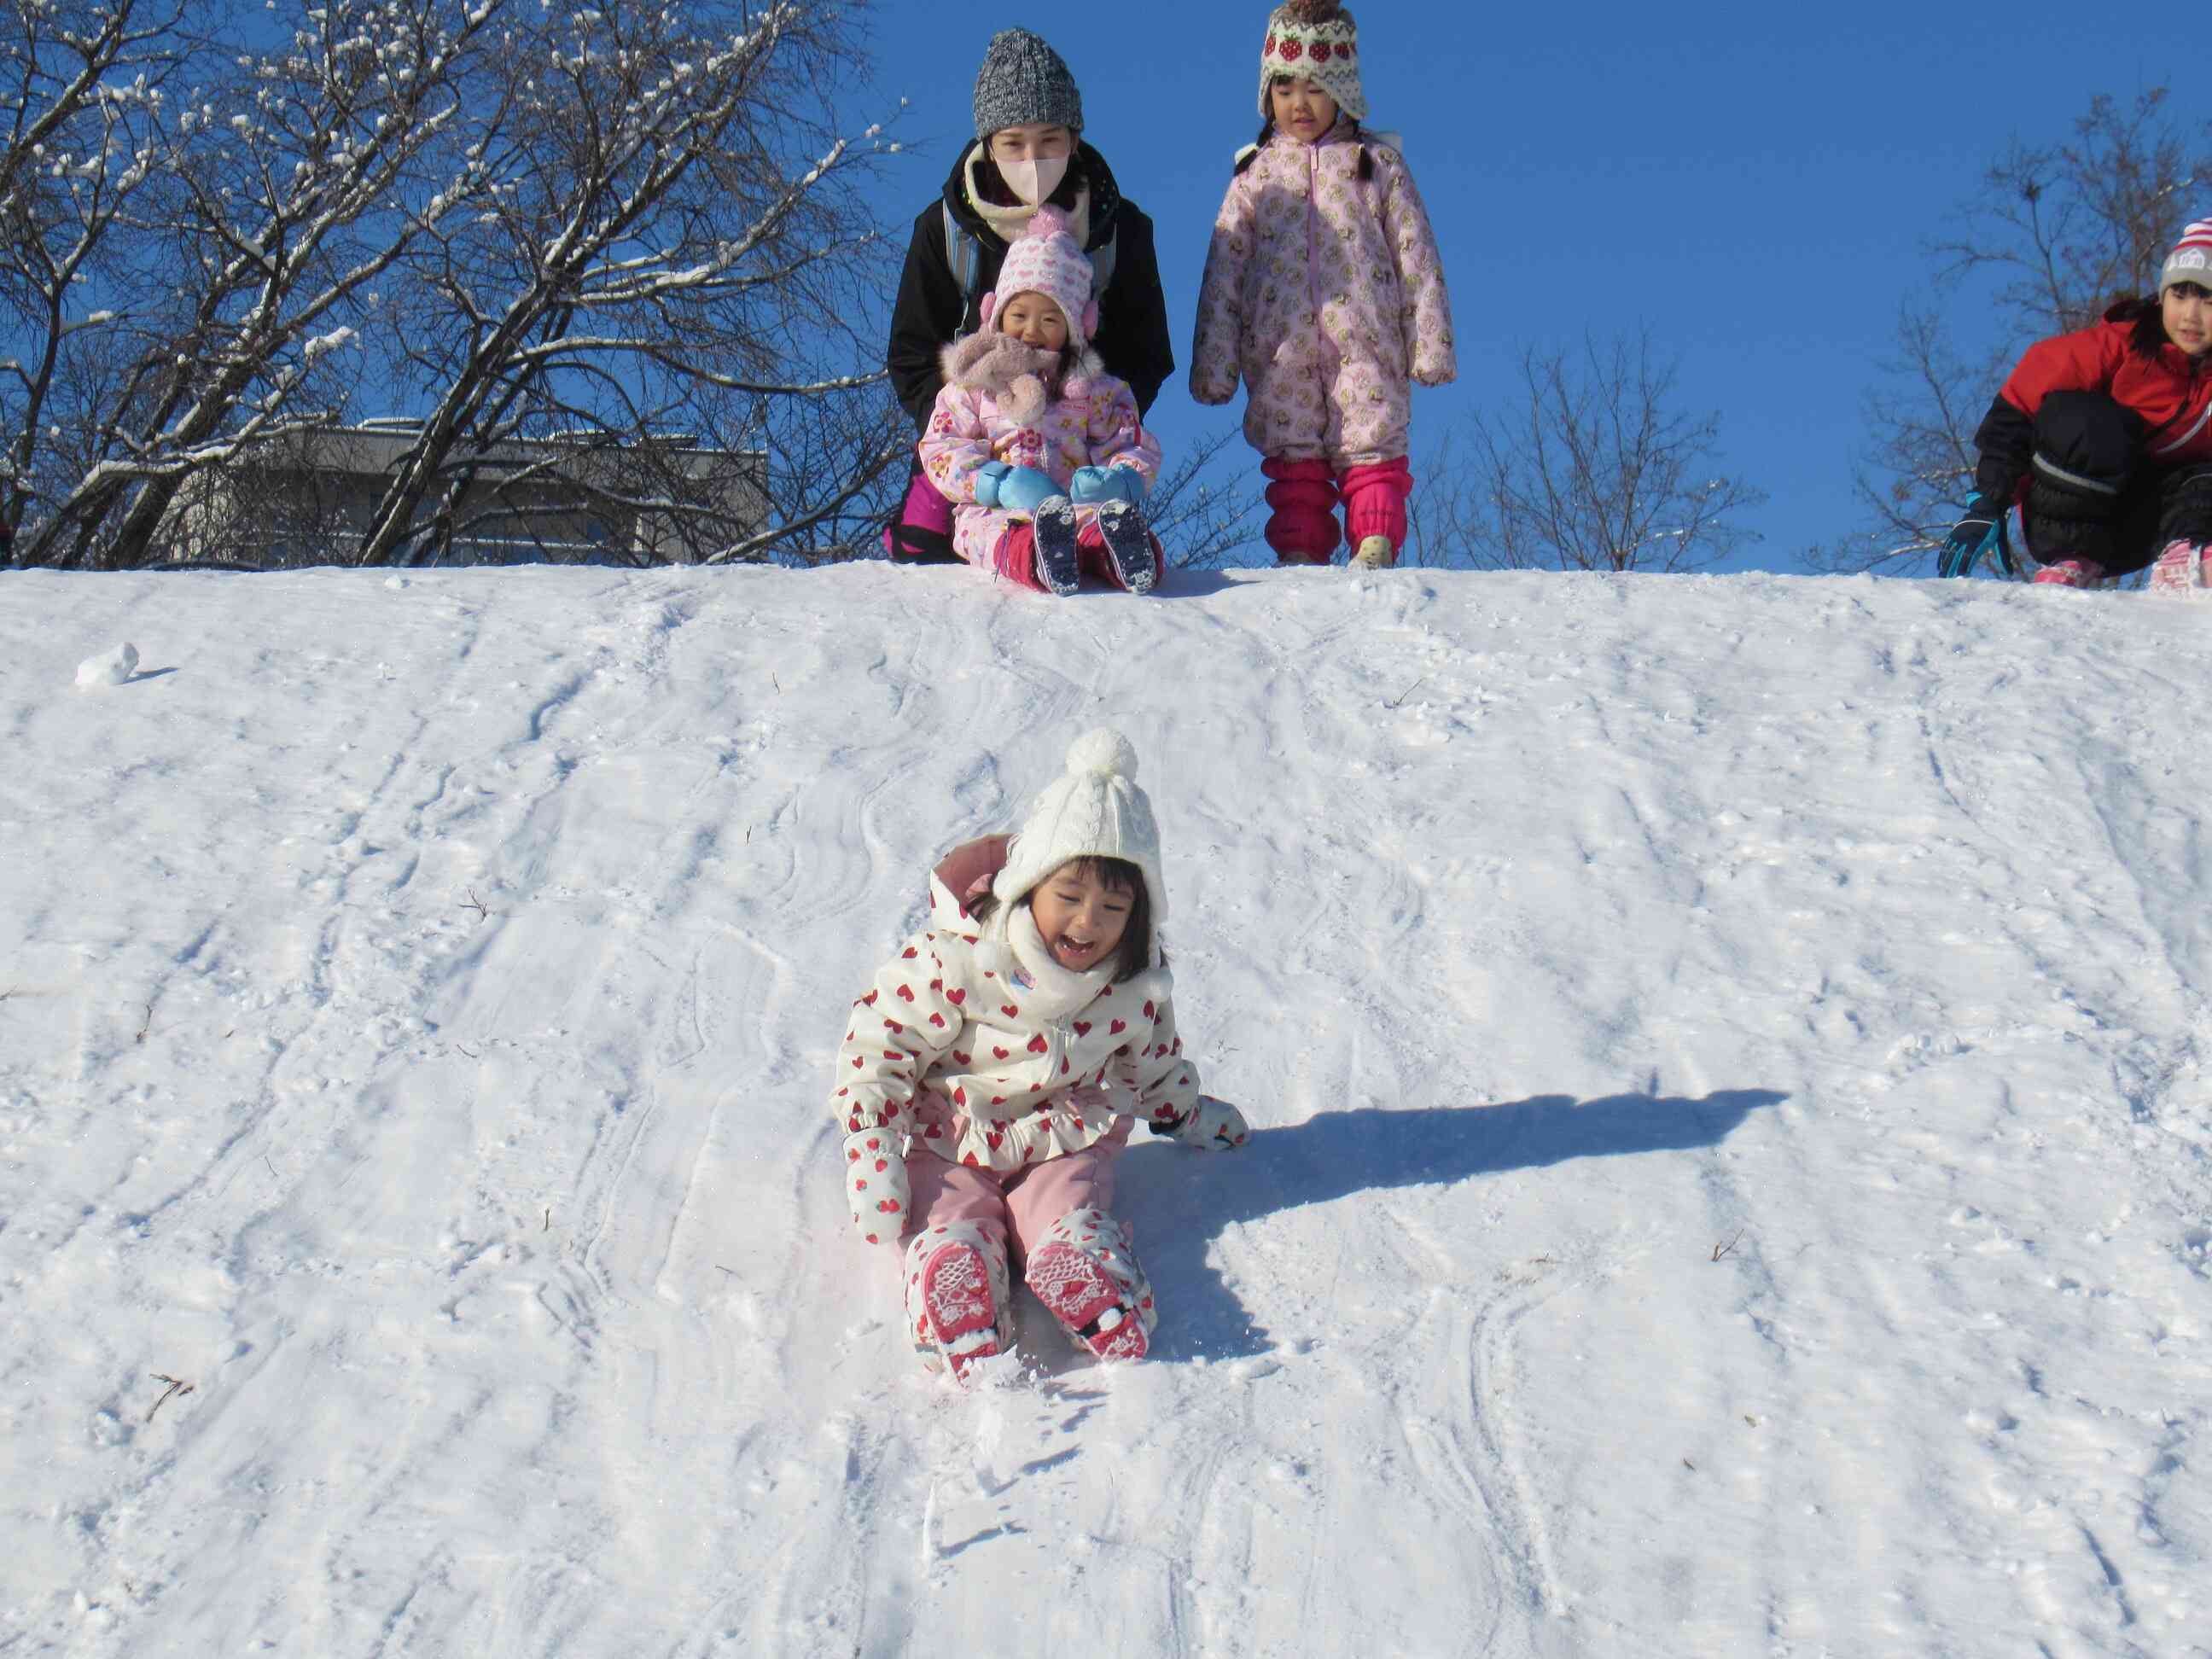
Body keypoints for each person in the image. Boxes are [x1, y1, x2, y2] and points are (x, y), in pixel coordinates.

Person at [830, 729, 1249, 1383]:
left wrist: (1188, 1113)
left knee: (1064, 1201)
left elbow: (1153, 1061)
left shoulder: (1133, 983)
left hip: (1064, 1132)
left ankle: (1083, 1268)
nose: (1087, 924)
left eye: (1113, 907)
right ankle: (955, 1278)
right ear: (1029, 887)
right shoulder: (962, 957)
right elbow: (882, 1043)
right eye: (1070, 898)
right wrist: (873, 1142)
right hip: (953, 1128)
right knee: (945, 1203)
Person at [882, 29, 1175, 566]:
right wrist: (971, 419)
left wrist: (1095, 426)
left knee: (1094, 532)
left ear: (1075, 138)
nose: (1033, 158)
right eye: (1014, 143)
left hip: (1082, 442)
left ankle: (1114, 552)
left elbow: (1147, 350)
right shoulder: (947, 231)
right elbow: (911, 352)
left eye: (1050, 141)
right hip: (974, 437)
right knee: (928, 551)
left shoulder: (1121, 231)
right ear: (989, 146)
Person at [1189, 0, 1455, 572]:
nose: (1298, 104)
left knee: (1371, 439)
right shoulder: (1255, 176)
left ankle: (1374, 540)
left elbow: (1417, 256)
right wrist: (1216, 365)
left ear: (1343, 89)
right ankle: (1300, 547)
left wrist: (1429, 344)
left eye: (1314, 88)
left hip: (1366, 338)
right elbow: (1225, 272)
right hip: (1281, 350)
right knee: (1294, 455)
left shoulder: (1375, 165)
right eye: (1284, 90)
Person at [1943, 218, 2212, 591]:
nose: (2191, 316)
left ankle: (2190, 558)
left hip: (2151, 526)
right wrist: (1989, 501)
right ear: (2162, 296)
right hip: (2070, 513)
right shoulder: (2119, 346)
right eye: (2180, 296)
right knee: (2089, 421)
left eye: (2208, 299)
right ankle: (2071, 560)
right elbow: (2019, 403)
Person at [917, 208, 1165, 595]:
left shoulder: (1092, 389)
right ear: (996, 314)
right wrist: (995, 483)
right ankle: (1033, 552)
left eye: (1050, 320)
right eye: (1019, 314)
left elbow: (1128, 441)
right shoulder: (976, 386)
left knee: (1099, 517)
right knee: (978, 528)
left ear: (1075, 327)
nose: (1032, 329)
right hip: (999, 507)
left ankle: (1124, 550)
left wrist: (1117, 481)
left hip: (1072, 503)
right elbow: (942, 447)